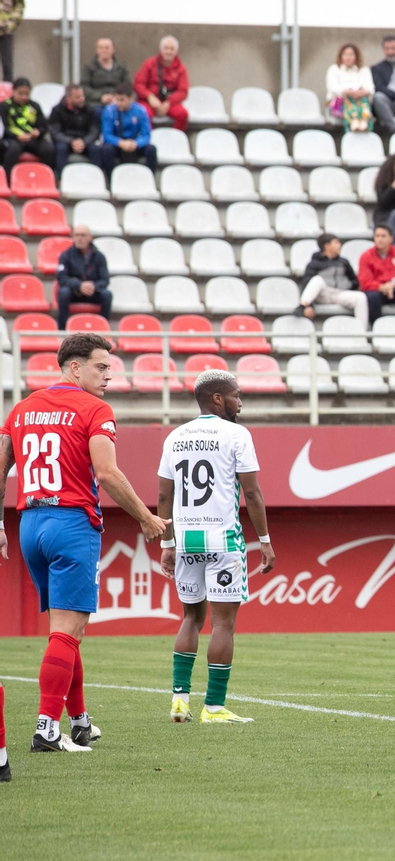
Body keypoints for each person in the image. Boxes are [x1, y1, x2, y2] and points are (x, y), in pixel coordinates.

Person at [0, 334, 168, 756]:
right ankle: (46, 729)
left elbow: (1, 465)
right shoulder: (95, 409)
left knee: (66, 631)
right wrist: (146, 518)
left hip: (30, 524)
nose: (109, 375)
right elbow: (107, 474)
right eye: (101, 366)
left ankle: (79, 722)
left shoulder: (21, 409)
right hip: (72, 524)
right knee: (67, 632)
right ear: (74, 368)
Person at [158, 370, 274, 726]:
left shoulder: (175, 436)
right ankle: (213, 706)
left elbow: (165, 495)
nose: (241, 402)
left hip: (187, 539)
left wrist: (167, 542)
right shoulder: (237, 434)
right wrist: (265, 541)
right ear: (218, 399)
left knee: (191, 617)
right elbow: (251, 493)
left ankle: (179, 701)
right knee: (223, 624)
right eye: (237, 395)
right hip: (223, 538)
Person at [300, 233, 372, 325]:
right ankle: (303, 305)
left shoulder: (343, 262)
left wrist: (347, 285)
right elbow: (307, 284)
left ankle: (362, 332)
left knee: (361, 297)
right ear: (327, 246)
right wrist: (309, 306)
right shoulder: (314, 264)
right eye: (336, 243)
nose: (339, 245)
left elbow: (354, 280)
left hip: (339, 293)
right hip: (323, 294)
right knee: (317, 280)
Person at [53, 225, 111, 330]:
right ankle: (61, 330)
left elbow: (105, 280)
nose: (80, 238)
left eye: (83, 235)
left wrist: (93, 286)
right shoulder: (66, 255)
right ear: (73, 237)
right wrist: (79, 285)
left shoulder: (99, 257)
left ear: (90, 237)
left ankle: (103, 330)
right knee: (63, 292)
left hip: (92, 292)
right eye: (77, 235)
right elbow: (61, 278)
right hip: (74, 292)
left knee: (107, 295)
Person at [94, 84, 156, 174]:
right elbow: (107, 135)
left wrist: (137, 143)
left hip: (133, 144)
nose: (119, 103)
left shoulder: (141, 111)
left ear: (131, 98)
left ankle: (150, 178)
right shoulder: (109, 111)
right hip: (117, 144)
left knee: (151, 149)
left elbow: (146, 134)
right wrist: (120, 143)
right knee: (106, 149)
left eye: (122, 100)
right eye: (117, 99)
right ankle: (111, 179)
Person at [134, 35, 189, 131]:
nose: (168, 52)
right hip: (149, 101)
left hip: (170, 103)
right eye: (166, 48)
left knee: (182, 114)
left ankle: (175, 139)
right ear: (160, 49)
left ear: (176, 51)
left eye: (172, 49)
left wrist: (168, 103)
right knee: (144, 113)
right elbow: (138, 84)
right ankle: (149, 140)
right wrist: (149, 97)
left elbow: (183, 91)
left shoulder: (181, 69)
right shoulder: (149, 64)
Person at [1, 79, 53, 173]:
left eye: (27, 94)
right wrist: (17, 136)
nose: (24, 97)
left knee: (48, 149)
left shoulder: (35, 106)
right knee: (12, 150)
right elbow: (3, 128)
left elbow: (44, 126)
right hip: (13, 139)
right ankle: (9, 180)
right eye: (20, 93)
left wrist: (38, 132)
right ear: (13, 91)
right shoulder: (5, 106)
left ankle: (45, 178)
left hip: (32, 139)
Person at [47, 85, 99, 173]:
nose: (82, 99)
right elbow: (55, 132)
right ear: (68, 99)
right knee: (61, 148)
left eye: (82, 96)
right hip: (66, 140)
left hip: (84, 140)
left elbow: (95, 130)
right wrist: (71, 141)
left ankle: (97, 176)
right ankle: (60, 178)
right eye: (78, 97)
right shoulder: (57, 110)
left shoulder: (90, 109)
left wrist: (84, 141)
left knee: (95, 149)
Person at [325, 43, 374, 132]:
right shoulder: (334, 69)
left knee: (361, 101)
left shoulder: (364, 70)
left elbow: (370, 88)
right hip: (339, 104)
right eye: (346, 54)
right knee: (348, 100)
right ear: (341, 56)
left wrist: (359, 93)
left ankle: (364, 123)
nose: (348, 57)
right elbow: (333, 87)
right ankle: (353, 122)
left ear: (356, 56)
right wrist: (349, 92)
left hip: (360, 100)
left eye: (351, 55)